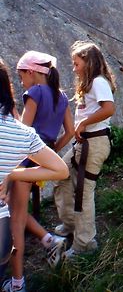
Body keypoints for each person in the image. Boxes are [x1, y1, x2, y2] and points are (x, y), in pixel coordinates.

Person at [0, 59, 68, 292]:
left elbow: (23, 125)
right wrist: (52, 149)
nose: (21, 82)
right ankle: (49, 240)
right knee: (16, 212)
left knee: (16, 218)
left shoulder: (35, 91)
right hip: (39, 156)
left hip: (22, 160)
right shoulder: (61, 95)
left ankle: (18, 282)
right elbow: (70, 131)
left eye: (22, 76)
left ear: (31, 72)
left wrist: (12, 171)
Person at [53, 41, 115, 260]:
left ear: (88, 63)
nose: (74, 68)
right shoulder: (90, 84)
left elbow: (109, 109)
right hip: (84, 143)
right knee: (61, 176)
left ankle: (85, 243)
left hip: (94, 143)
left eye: (76, 63)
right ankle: (71, 224)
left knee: (83, 191)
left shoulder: (98, 82)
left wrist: (83, 124)